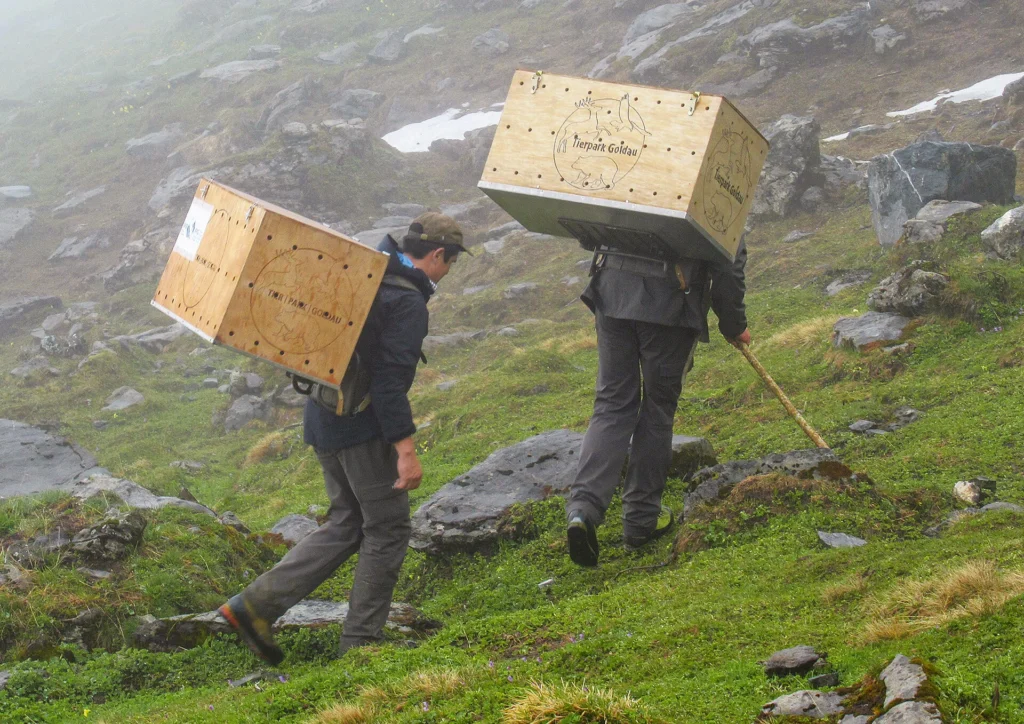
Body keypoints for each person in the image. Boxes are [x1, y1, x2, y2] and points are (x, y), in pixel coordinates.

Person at [219, 212, 469, 664]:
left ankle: (253, 608)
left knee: (346, 522)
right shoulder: (407, 302)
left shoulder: (365, 271)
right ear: (436, 255)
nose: (447, 273)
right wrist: (406, 451)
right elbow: (390, 385)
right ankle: (361, 645)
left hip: (321, 418)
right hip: (360, 429)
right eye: (449, 264)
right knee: (388, 527)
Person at [565, 242, 750, 567]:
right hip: (669, 304)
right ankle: (640, 521)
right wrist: (733, 324)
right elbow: (728, 258)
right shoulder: (715, 189)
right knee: (657, 409)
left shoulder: (640, 186)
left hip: (612, 291)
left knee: (611, 403)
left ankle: (583, 511)